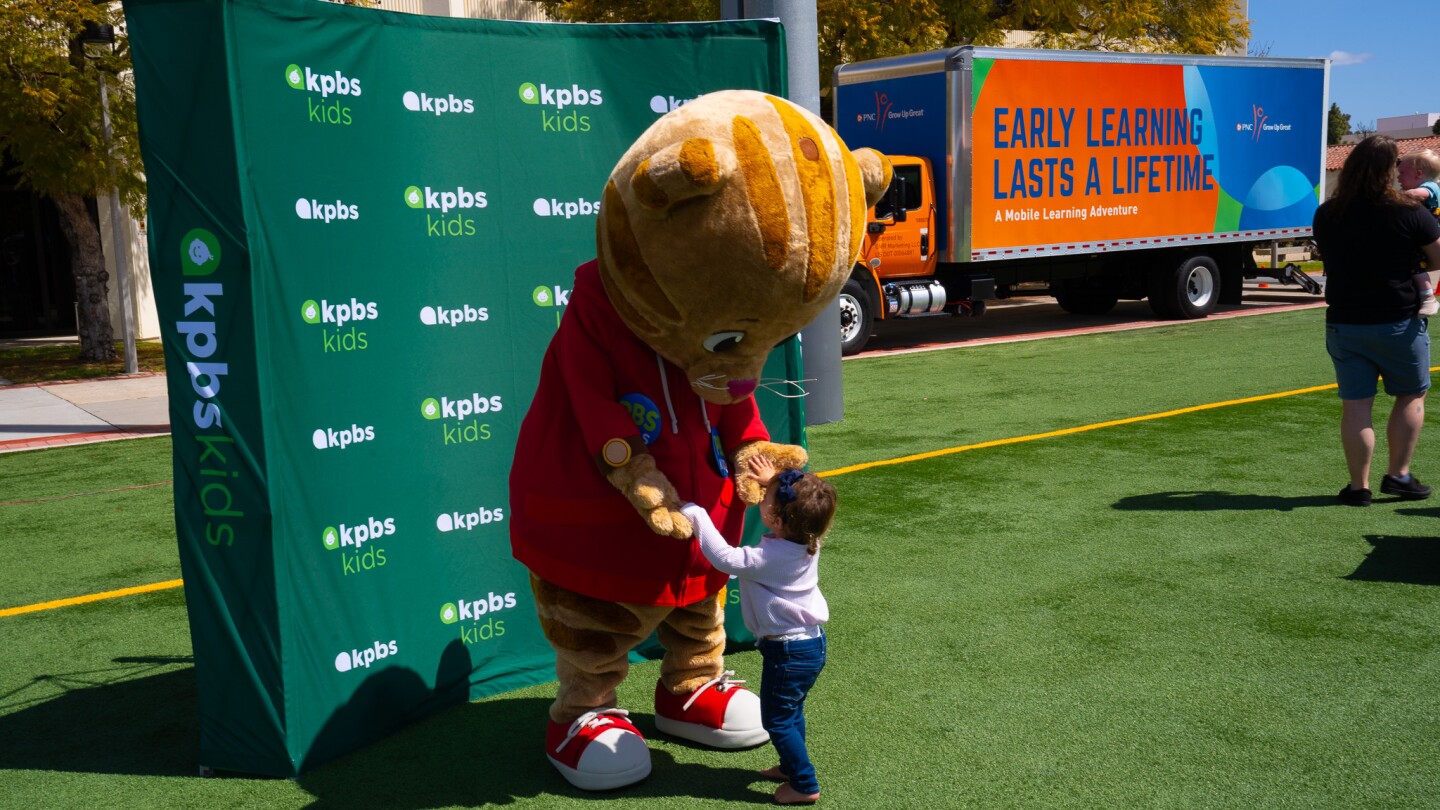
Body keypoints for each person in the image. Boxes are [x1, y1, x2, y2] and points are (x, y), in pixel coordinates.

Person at [681, 455, 836, 805]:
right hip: (808, 646)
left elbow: (725, 558)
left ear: (775, 518)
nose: (760, 498)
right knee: (790, 712)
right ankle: (790, 765)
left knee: (777, 720)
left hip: (789, 651)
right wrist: (772, 481)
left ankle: (804, 783)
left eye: (765, 498)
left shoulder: (769, 558)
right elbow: (794, 500)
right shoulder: (808, 540)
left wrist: (696, 513)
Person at [1314, 135, 1440, 505]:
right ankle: (1398, 476)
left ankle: (1359, 488)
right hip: (1397, 321)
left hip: (1344, 322)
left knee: (1356, 405)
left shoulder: (1327, 213)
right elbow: (1437, 259)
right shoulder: (1409, 210)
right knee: (1411, 395)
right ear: (1390, 170)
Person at [1397, 148, 1440, 315]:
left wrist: (1393, 196)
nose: (1398, 177)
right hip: (1422, 236)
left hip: (1428, 237)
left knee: (1415, 265)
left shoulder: (1430, 187)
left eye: (1402, 172)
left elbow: (1417, 193)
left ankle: (1428, 297)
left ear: (1419, 174)